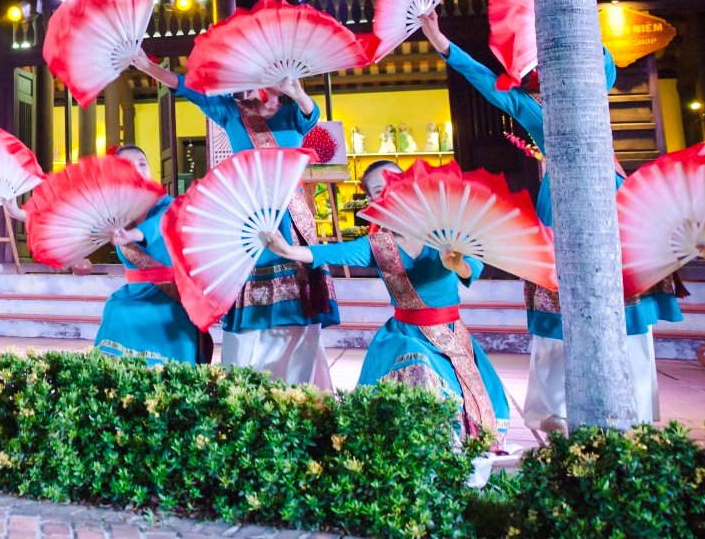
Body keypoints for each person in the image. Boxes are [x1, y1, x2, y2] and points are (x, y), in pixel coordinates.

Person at [417, 10, 681, 431]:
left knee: (628, 314)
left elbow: (601, 60)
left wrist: (573, 25)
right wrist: (441, 42)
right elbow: (488, 85)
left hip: (617, 205)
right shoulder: (538, 110)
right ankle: (555, 411)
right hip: (560, 206)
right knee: (558, 312)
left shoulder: (597, 97)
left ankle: (637, 413)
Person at [262, 160, 510, 442]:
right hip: (404, 335)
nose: (392, 191)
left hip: (450, 336)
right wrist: (288, 250)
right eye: (381, 188)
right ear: (371, 200)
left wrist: (457, 263)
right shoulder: (378, 246)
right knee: (412, 357)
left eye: (399, 181)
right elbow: (331, 253)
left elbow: (472, 270)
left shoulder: (448, 233)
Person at [129, 52, 338, 387]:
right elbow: (189, 89)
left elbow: (311, 117)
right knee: (249, 319)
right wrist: (152, 68)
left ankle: (301, 389)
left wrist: (296, 90)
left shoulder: (292, 114)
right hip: (250, 224)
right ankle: (245, 388)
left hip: (292, 223)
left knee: (300, 315)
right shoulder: (232, 111)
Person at [94, 145, 213, 365]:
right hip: (134, 292)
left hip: (169, 294)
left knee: (147, 314)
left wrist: (133, 234)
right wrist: (18, 213)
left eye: (142, 164)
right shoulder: (115, 213)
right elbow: (79, 227)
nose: (138, 169)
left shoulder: (167, 205)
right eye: (129, 166)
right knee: (116, 308)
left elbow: (159, 224)